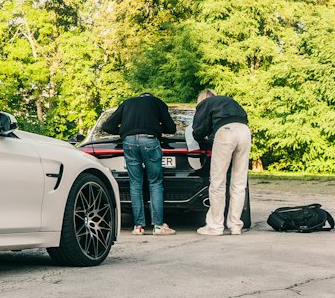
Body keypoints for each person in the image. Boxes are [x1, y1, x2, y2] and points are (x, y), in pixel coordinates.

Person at [106, 92, 177, 236]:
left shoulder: (127, 102)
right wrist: (155, 127)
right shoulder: (157, 102)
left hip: (129, 142)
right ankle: (158, 226)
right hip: (150, 141)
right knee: (155, 183)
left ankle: (138, 227)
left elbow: (107, 126)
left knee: (135, 184)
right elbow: (171, 128)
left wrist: (125, 130)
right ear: (149, 97)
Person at [192, 89, 252, 235]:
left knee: (218, 182)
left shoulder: (205, 104)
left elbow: (198, 130)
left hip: (226, 132)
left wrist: (205, 141)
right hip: (244, 131)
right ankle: (235, 225)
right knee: (239, 181)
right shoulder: (228, 101)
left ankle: (215, 226)